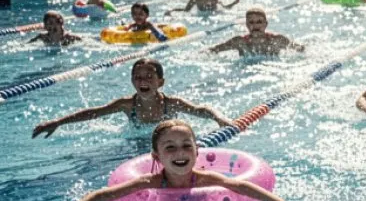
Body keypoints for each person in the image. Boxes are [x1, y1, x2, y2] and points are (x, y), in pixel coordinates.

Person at [31, 119, 310, 201]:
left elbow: (239, 185)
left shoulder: (202, 178)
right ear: (157, 156)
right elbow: (102, 195)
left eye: (186, 146)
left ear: (197, 151)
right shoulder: (151, 183)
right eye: (170, 148)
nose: (180, 153)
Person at [32, 58, 235, 137]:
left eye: (149, 77)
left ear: (160, 82)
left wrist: (219, 118)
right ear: (132, 81)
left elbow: (201, 110)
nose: (143, 81)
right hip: (136, 141)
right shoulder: (127, 105)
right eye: (138, 77)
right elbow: (94, 113)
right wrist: (59, 122)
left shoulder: (170, 103)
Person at [210, 7, 304, 58]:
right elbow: (214, 50)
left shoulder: (277, 40)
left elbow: (300, 49)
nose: (255, 25)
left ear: (265, 24)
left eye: (259, 22)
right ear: (246, 25)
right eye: (251, 22)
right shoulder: (239, 42)